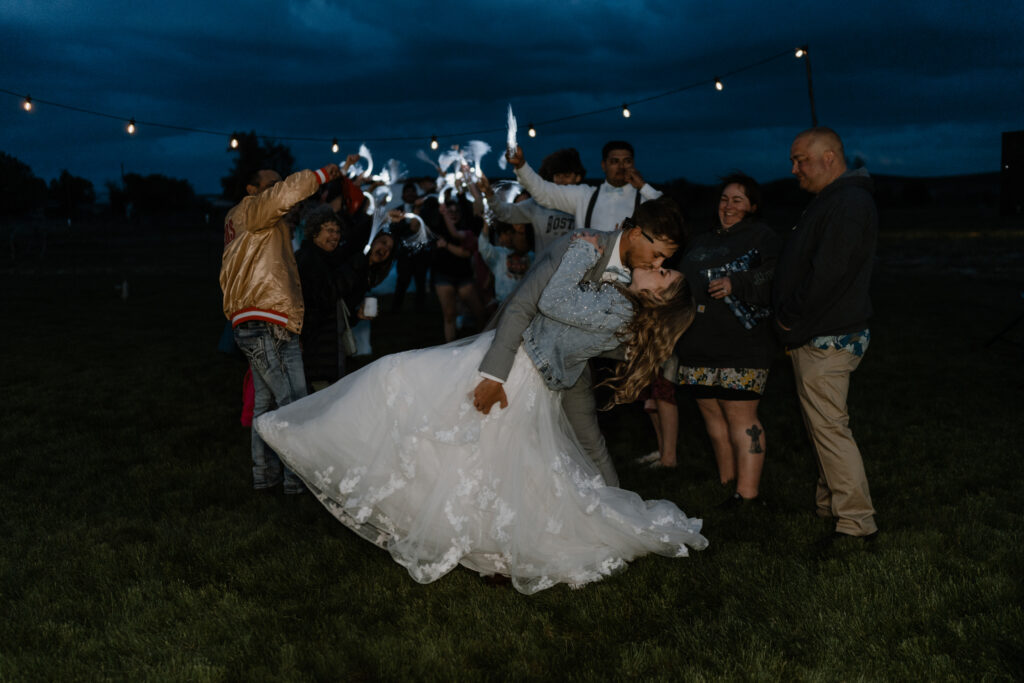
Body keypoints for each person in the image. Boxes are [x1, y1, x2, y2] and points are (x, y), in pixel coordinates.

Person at [254, 234, 705, 594]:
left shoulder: (621, 308)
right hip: (508, 362)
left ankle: (304, 431)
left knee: (404, 385)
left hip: (517, 374)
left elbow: (556, 301)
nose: (654, 266)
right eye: (661, 262)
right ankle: (315, 432)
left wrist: (581, 250)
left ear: (660, 299)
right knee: (463, 436)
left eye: (662, 273)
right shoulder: (619, 300)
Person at [474, 196, 686, 487]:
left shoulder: (639, 286)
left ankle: (613, 510)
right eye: (658, 254)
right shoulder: (581, 244)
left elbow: (606, 336)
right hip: (517, 355)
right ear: (637, 233)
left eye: (665, 262)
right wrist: (496, 374)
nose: (658, 263)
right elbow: (523, 306)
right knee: (498, 436)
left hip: (569, 369)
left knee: (590, 444)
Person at [774, 127, 878, 541]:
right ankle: (829, 504)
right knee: (821, 425)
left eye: (800, 159)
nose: (794, 168)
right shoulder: (833, 200)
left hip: (826, 336)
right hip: (819, 333)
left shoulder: (849, 202)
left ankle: (856, 522)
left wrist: (789, 320)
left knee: (831, 429)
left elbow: (828, 276)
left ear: (830, 158)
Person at [221, 163, 341, 494]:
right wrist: (319, 177)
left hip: (268, 318)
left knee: (265, 404)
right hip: (264, 318)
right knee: (294, 403)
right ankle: (296, 481)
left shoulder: (254, 221)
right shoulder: (253, 210)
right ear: (251, 190)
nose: (278, 188)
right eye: (270, 183)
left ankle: (265, 476)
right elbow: (285, 194)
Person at [673, 173, 781, 503]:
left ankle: (747, 494)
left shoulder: (762, 237)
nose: (728, 206)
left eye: (737, 200)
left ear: (752, 206)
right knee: (712, 416)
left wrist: (739, 282)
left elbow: (777, 273)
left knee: (740, 418)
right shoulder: (702, 241)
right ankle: (726, 481)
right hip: (698, 346)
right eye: (724, 199)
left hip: (742, 346)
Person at [294, 205, 395, 391]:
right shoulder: (308, 259)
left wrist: (357, 315)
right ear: (314, 232)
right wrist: (355, 265)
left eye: (338, 231)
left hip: (327, 348)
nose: (335, 236)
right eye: (329, 230)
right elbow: (325, 297)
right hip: (313, 348)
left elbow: (335, 309)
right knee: (315, 397)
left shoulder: (326, 259)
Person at [507, 141, 662, 231]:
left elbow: (670, 215)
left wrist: (643, 186)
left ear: (633, 164)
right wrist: (521, 165)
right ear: (603, 165)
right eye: (614, 161)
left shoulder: (644, 199)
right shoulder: (585, 195)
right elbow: (544, 192)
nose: (621, 166)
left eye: (627, 161)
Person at [480, 148, 583, 254]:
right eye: (557, 176)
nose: (561, 181)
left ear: (578, 177)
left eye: (566, 176)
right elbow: (505, 213)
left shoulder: (586, 203)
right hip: (545, 269)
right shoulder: (539, 205)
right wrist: (489, 194)